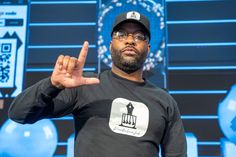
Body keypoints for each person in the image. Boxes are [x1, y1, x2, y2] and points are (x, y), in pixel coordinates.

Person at [8, 11, 187, 157]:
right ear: (110, 45)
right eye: (121, 34)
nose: (130, 40)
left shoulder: (165, 102)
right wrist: (52, 84)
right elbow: (19, 113)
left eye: (139, 36)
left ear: (148, 49)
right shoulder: (84, 86)